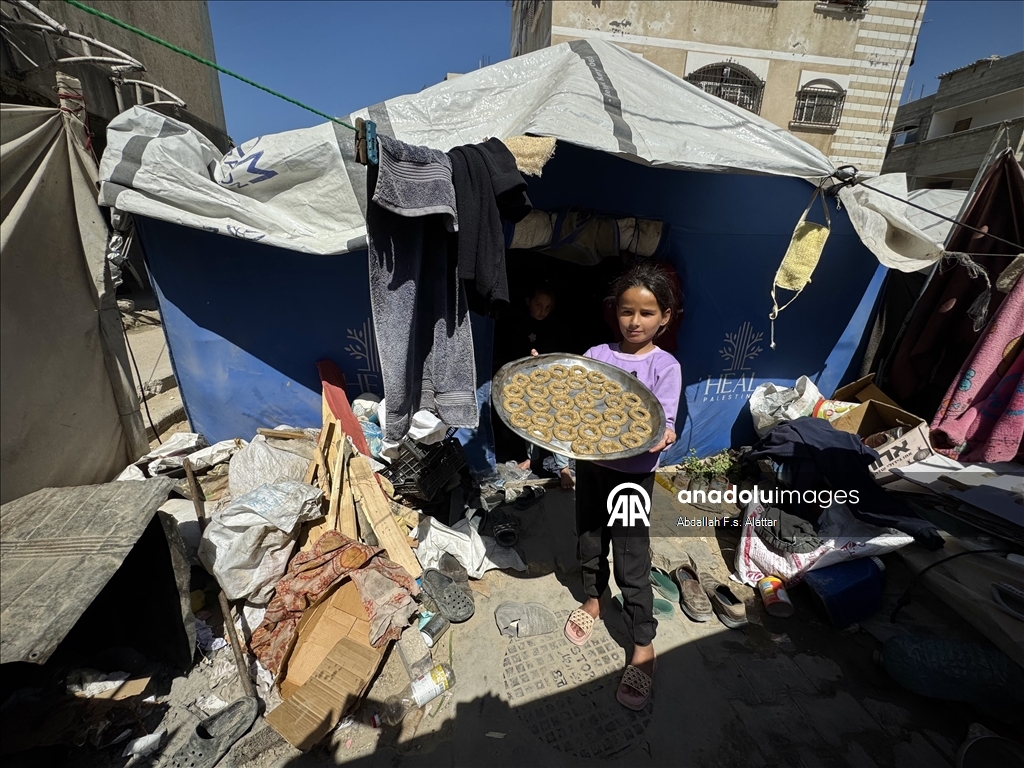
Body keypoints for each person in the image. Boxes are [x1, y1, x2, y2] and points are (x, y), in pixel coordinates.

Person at [562, 260, 682, 711]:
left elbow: (665, 419)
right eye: (627, 311)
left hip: (632, 474)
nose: (635, 321)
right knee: (590, 538)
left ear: (664, 317)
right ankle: (594, 599)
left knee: (632, 555)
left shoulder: (665, 366)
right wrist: (551, 381)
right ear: (616, 311)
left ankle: (643, 643)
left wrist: (666, 433)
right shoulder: (597, 354)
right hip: (593, 466)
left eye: (646, 313)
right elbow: (576, 399)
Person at [495, 282, 575, 489]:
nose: (543, 311)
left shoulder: (555, 327)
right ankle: (533, 458)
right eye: (539, 305)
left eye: (547, 307)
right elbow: (507, 353)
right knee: (530, 421)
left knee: (557, 420)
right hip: (523, 383)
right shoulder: (516, 324)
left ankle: (563, 467)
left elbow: (560, 356)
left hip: (550, 383)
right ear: (528, 301)